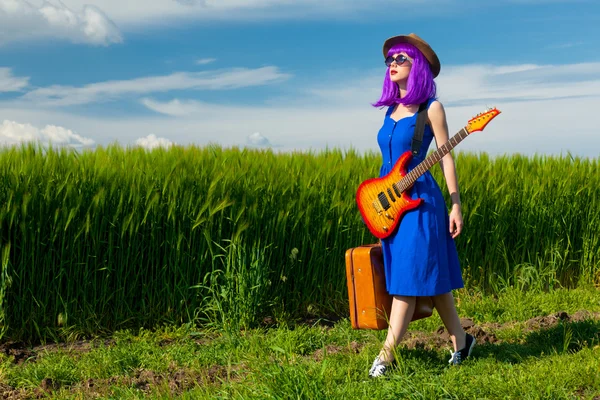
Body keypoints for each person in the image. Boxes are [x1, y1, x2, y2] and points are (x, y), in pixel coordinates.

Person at [368, 33, 475, 378]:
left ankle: (385, 356)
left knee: (407, 279)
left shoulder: (432, 108)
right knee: (431, 279)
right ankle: (461, 341)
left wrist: (456, 204)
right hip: (390, 202)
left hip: (421, 202)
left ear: (418, 67)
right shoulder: (389, 111)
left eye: (401, 59)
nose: (392, 64)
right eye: (390, 60)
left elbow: (445, 158)